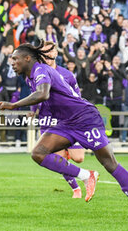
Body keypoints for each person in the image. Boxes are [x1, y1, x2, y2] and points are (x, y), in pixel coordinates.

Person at [0, 41, 128, 221]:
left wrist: (14, 105)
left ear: (27, 58)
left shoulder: (41, 70)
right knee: (38, 153)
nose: (12, 62)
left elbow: (43, 94)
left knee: (109, 163)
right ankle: (86, 175)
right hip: (66, 122)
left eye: (15, 59)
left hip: (85, 119)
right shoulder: (29, 77)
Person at [40, 41, 85, 198]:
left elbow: (77, 97)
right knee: (58, 159)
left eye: (49, 51)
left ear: (55, 54)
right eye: (43, 52)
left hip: (69, 121)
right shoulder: (36, 74)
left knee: (78, 158)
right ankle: (76, 189)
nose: (46, 54)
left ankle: (67, 151)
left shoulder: (67, 75)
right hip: (50, 121)